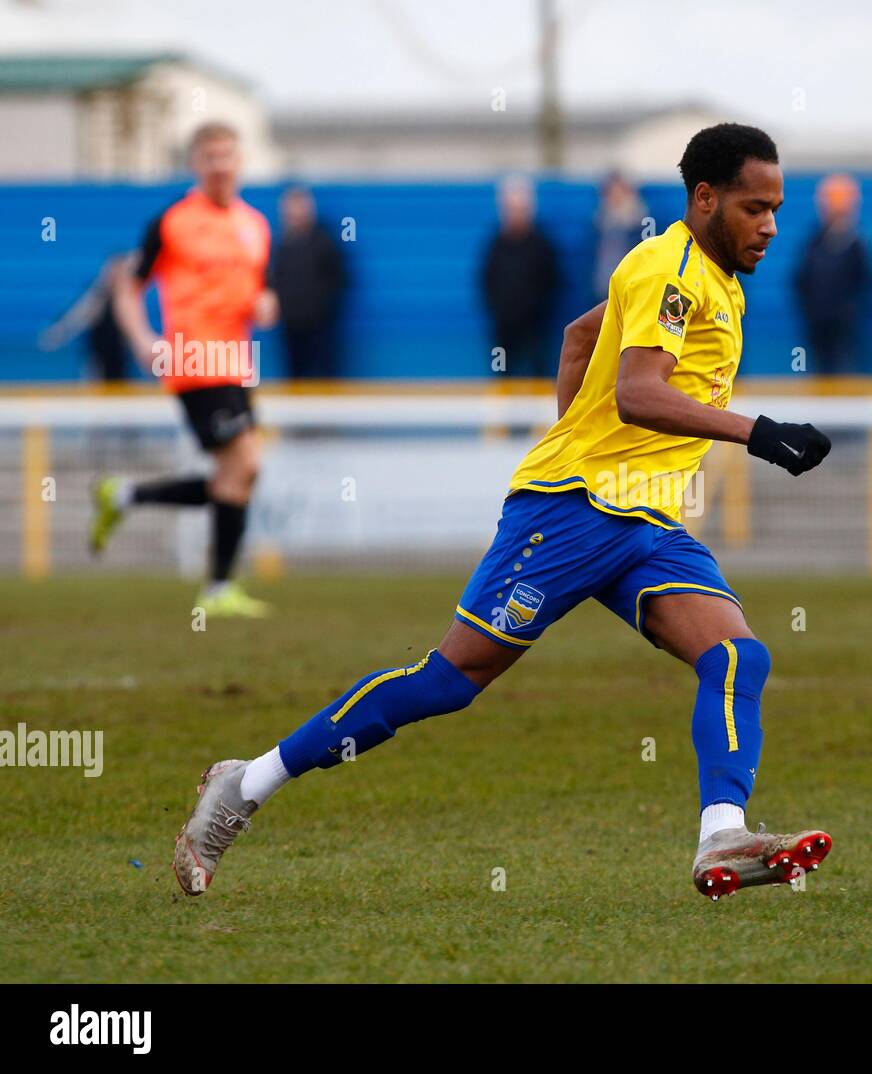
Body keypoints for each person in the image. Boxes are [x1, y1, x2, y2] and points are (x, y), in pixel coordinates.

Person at [171, 123, 835, 902]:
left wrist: (575, 434)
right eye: (756, 208)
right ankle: (244, 785)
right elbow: (638, 392)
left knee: (736, 657)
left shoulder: (706, 277)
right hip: (572, 512)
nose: (771, 226)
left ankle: (722, 833)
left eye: (777, 209)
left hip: (645, 523)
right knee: (447, 682)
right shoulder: (672, 268)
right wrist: (757, 432)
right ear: (705, 198)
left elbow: (580, 335)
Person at [93, 121, 277, 618]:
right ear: (195, 164)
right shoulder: (172, 222)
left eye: (227, 155)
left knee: (233, 477)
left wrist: (266, 303)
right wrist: (141, 338)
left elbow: (264, 292)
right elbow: (126, 285)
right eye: (210, 156)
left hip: (236, 365)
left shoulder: (255, 225)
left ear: (240, 161)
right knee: (245, 465)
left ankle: (127, 495)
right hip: (194, 361)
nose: (220, 164)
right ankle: (217, 589)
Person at [479, 175, 561, 377]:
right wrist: (500, 310)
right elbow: (486, 280)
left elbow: (552, 281)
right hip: (504, 326)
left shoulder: (542, 243)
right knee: (502, 372)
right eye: (511, 209)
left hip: (535, 327)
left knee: (537, 372)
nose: (515, 214)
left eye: (520, 209)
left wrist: (536, 309)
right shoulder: (495, 244)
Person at [794, 173, 870, 373]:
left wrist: (848, 309)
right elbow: (801, 277)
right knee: (820, 371)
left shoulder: (855, 243)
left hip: (843, 325)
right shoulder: (815, 240)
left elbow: (863, 280)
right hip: (817, 322)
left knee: (842, 370)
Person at [272, 185, 347, 380]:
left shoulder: (324, 241)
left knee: (323, 376)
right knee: (295, 376)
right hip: (290, 326)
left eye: (299, 206)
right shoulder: (281, 244)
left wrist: (320, 308)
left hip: (319, 327)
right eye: (290, 208)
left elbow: (338, 279)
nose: (294, 213)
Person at [38, 252, 135, 381]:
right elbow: (78, 316)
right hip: (99, 357)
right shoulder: (98, 295)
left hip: (120, 358)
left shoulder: (129, 296)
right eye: (113, 270)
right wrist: (59, 332)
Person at [592, 171, 648, 302]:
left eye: (620, 192)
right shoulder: (598, 224)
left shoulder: (642, 226)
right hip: (603, 293)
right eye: (611, 193)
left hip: (632, 293)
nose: (616, 197)